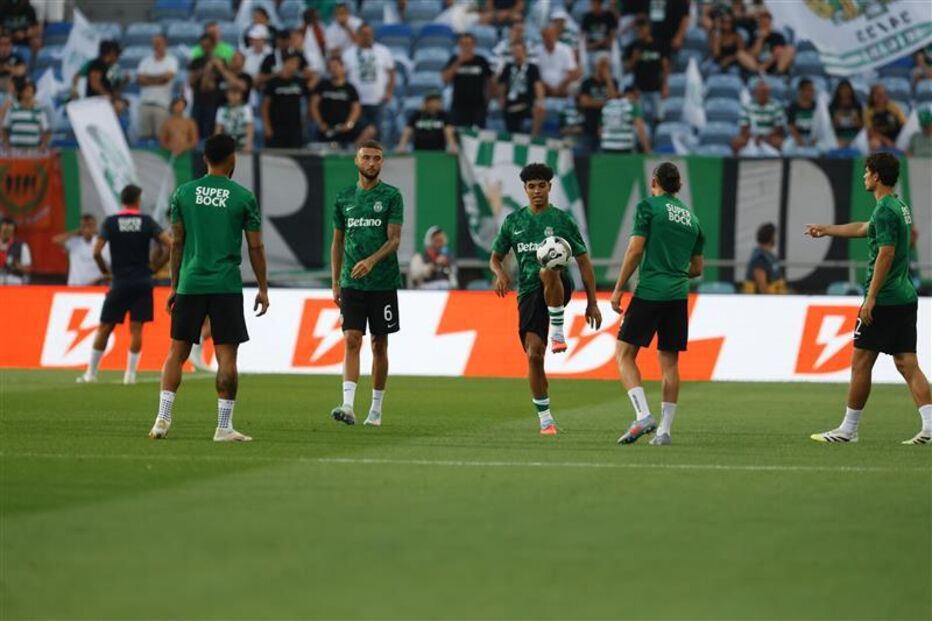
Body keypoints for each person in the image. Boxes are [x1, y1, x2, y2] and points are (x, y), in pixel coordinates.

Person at [149, 134, 269, 442]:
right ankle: (223, 427)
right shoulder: (243, 197)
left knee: (177, 352)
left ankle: (162, 420)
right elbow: (255, 247)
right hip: (226, 285)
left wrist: (175, 285)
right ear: (233, 159)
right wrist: (263, 287)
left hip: (190, 282)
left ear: (205, 159)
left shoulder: (184, 194)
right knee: (227, 357)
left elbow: (177, 243)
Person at [805, 153, 931, 445]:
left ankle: (848, 430)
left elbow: (886, 252)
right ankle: (930, 425)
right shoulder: (896, 205)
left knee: (860, 362)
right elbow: (864, 228)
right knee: (907, 362)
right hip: (904, 295)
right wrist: (827, 230)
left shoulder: (886, 210)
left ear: (876, 176)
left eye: (866, 172)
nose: (864, 177)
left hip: (885, 298)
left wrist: (870, 298)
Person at [489, 163, 601, 434]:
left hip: (559, 285)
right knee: (534, 355)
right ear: (525, 189)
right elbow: (495, 257)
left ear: (550, 187)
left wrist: (592, 302)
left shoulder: (562, 220)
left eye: (542, 185)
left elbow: (584, 262)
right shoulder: (513, 222)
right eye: (532, 186)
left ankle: (559, 332)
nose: (537, 190)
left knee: (547, 269)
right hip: (527, 293)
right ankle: (546, 420)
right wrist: (500, 273)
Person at [611, 162, 704, 446]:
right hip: (678, 295)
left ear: (654, 182)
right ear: (679, 185)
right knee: (670, 364)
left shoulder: (649, 207)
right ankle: (664, 431)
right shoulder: (693, 220)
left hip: (651, 290)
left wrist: (617, 290)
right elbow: (697, 268)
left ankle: (642, 415)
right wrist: (675, 269)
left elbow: (635, 249)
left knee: (624, 354)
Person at [329, 141, 404, 428]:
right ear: (356, 161)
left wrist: (371, 261)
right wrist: (335, 281)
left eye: (377, 158)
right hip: (351, 281)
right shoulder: (344, 197)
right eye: (366, 158)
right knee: (351, 339)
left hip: (383, 281)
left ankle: (376, 408)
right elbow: (336, 241)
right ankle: (348, 405)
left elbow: (394, 239)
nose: (371, 163)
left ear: (382, 163)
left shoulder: (391, 196)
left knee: (379, 344)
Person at [77, 185, 172, 385]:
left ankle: (91, 374)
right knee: (136, 329)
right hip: (143, 282)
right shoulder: (146, 221)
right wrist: (155, 268)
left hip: (119, 282)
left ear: (123, 200)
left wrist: (105, 272)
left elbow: (96, 251)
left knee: (105, 328)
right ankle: (130, 376)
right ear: (137, 200)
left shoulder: (111, 222)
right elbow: (170, 244)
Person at [342, 24, 395, 140]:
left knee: (378, 133)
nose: (367, 36)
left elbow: (391, 72)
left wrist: (389, 92)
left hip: (378, 101)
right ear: (358, 35)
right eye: (364, 34)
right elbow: (342, 76)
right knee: (359, 131)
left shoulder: (383, 51)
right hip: (357, 102)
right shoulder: (348, 54)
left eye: (369, 34)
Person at [310, 56, 375, 147]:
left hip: (344, 127)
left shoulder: (350, 88)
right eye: (331, 67)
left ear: (343, 68)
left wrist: (349, 124)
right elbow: (313, 105)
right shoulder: (322, 85)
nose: (333, 70)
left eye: (336, 66)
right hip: (326, 127)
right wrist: (320, 123)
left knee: (370, 130)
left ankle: (353, 153)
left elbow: (356, 108)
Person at [442, 33, 493, 129]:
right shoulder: (454, 59)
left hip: (478, 106)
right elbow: (445, 79)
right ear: (459, 45)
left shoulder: (481, 60)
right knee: (456, 133)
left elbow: (489, 82)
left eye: (469, 44)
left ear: (474, 45)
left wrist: (487, 101)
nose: (466, 47)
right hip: (458, 105)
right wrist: (458, 62)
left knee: (478, 134)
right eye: (463, 44)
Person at [623, 17, 668, 123]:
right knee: (639, 120)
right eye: (638, 30)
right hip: (639, 89)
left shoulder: (659, 45)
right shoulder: (633, 46)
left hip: (656, 88)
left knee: (658, 118)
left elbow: (665, 67)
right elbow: (627, 68)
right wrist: (634, 59)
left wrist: (665, 85)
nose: (640, 32)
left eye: (643, 29)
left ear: (648, 29)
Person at [261, 52, 308, 148]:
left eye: (297, 64)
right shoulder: (273, 82)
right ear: (286, 63)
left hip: (295, 128)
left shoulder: (299, 82)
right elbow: (265, 106)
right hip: (276, 127)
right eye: (293, 63)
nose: (295, 66)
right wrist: (267, 126)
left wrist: (305, 121)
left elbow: (306, 102)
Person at [136, 34, 179, 140]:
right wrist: (158, 79)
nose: (156, 45)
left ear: (165, 44)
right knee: (144, 138)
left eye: (159, 43)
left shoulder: (171, 61)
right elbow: (140, 80)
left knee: (161, 138)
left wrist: (148, 79)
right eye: (154, 43)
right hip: (145, 103)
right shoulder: (145, 61)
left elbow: (166, 79)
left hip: (162, 104)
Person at [498, 41, 545, 136]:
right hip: (510, 103)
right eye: (515, 51)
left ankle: (534, 137)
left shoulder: (532, 68)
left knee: (539, 111)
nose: (517, 53)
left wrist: (540, 101)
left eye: (519, 51)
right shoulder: (508, 67)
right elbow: (502, 85)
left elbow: (538, 85)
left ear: (525, 52)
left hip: (526, 103)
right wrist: (501, 98)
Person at [732, 79, 785, 156]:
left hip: (769, 137)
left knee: (781, 142)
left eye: (765, 92)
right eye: (761, 92)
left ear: (769, 92)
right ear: (756, 93)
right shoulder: (747, 106)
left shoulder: (776, 106)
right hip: (751, 136)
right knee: (736, 142)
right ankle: (736, 165)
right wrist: (754, 138)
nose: (763, 94)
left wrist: (765, 138)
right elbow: (744, 127)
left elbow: (778, 128)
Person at [578, 55, 619, 152]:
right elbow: (584, 102)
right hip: (589, 127)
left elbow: (614, 101)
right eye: (603, 65)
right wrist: (605, 103)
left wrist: (608, 79)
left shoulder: (613, 82)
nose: (605, 68)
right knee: (585, 158)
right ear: (597, 65)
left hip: (608, 129)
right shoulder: (587, 82)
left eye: (607, 65)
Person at [52, 214, 108, 286]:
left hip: (95, 286)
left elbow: (108, 266)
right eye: (84, 226)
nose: (87, 229)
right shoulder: (74, 242)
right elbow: (56, 240)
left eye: (90, 226)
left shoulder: (101, 243)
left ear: (95, 227)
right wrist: (76, 232)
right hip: (75, 286)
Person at [187, 35, 224, 139]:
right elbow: (190, 81)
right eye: (203, 46)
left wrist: (218, 67)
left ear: (213, 46)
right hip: (198, 99)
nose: (206, 48)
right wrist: (206, 70)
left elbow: (223, 79)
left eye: (208, 46)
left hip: (214, 101)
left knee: (211, 132)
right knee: (195, 131)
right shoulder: (196, 61)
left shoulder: (220, 61)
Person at [736, 11, 795, 76]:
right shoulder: (754, 36)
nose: (764, 26)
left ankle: (777, 73)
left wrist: (765, 65)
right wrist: (761, 38)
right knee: (740, 54)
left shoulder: (777, 36)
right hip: (756, 65)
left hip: (773, 64)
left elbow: (778, 53)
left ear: (770, 24)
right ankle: (758, 72)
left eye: (766, 24)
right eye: (762, 23)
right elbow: (753, 54)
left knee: (790, 49)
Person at [1, 79, 50, 150]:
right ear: (20, 93)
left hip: (33, 150)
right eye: (26, 90)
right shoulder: (12, 109)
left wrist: (44, 144)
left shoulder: (39, 111)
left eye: (31, 91)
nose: (28, 93)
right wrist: (6, 143)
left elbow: (47, 131)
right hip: (15, 150)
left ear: (34, 93)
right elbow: (5, 128)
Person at [600, 86, 651, 153]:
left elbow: (600, 131)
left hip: (606, 149)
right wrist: (647, 150)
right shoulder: (632, 106)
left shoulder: (607, 106)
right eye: (636, 96)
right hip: (625, 149)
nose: (638, 99)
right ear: (630, 94)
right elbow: (640, 130)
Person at [538, 25, 581, 98]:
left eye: (551, 35)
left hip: (563, 86)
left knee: (574, 84)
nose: (549, 38)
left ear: (556, 36)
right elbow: (535, 73)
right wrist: (549, 88)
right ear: (542, 37)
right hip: (544, 86)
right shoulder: (537, 51)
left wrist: (560, 88)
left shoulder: (565, 49)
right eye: (546, 36)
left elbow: (572, 72)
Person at [409, 226, 457, 290]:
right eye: (436, 240)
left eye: (440, 240)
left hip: (446, 289)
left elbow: (454, 277)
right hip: (426, 289)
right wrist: (434, 264)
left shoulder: (447, 256)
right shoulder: (419, 257)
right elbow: (415, 275)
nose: (438, 243)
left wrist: (447, 265)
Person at [744, 222, 785, 294]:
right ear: (771, 237)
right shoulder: (760, 258)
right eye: (775, 235)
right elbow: (762, 285)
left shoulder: (769, 256)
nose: (776, 238)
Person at [864, 84, 906, 152]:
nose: (880, 96)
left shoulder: (894, 107)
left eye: (883, 94)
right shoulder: (868, 111)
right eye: (877, 94)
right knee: (873, 143)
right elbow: (870, 132)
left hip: (897, 137)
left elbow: (904, 124)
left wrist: (897, 140)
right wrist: (885, 140)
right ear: (872, 96)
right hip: (879, 138)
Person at [214, 83, 254, 152]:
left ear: (241, 95)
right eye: (232, 93)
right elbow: (218, 128)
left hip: (242, 140)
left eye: (237, 93)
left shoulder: (245, 108)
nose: (234, 96)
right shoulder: (222, 109)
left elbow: (249, 126)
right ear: (227, 95)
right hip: (228, 141)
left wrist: (248, 144)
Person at [829, 79, 863, 149]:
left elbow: (862, 127)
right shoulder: (832, 106)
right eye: (843, 89)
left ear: (851, 91)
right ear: (838, 91)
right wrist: (836, 119)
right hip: (838, 137)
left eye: (847, 89)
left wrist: (856, 120)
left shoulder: (857, 105)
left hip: (855, 137)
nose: (845, 92)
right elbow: (830, 128)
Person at [785, 78, 817, 151]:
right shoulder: (792, 107)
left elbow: (820, 126)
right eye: (809, 90)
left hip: (813, 136)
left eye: (812, 90)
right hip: (797, 136)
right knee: (786, 148)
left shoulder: (817, 107)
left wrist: (815, 139)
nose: (812, 92)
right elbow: (791, 125)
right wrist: (799, 140)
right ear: (801, 91)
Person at [0, 216, 31, 285]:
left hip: (14, 280)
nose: (6, 230)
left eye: (9, 228)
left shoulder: (22, 245)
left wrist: (16, 266)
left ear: (14, 230)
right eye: (4, 227)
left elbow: (28, 270)